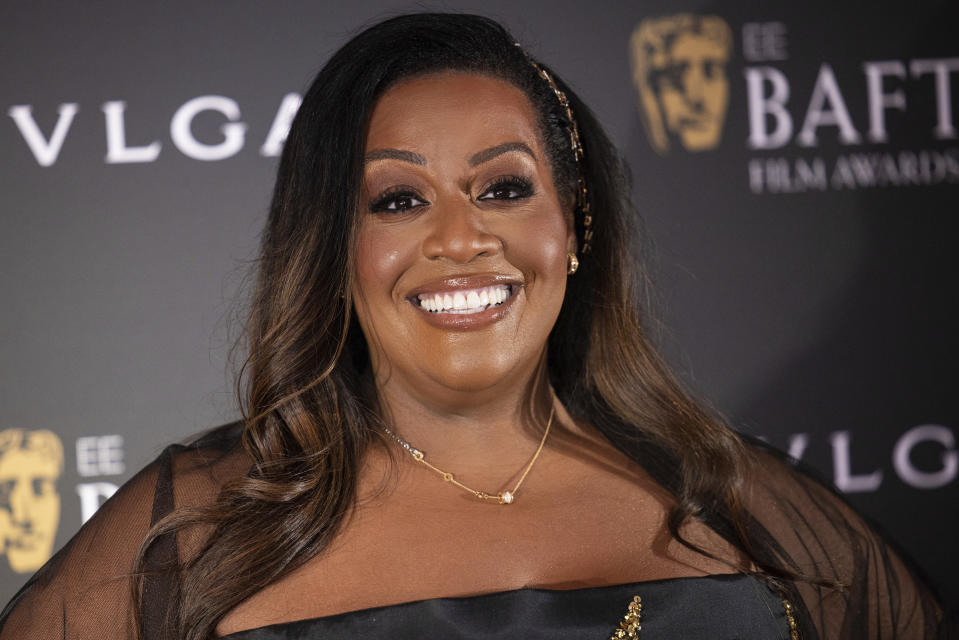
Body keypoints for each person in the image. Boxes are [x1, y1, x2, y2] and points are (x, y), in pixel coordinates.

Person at [0, 12, 948, 640]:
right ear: (333, 246)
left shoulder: (745, 504)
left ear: (572, 225)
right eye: (398, 200)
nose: (460, 238)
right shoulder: (197, 531)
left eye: (502, 187)